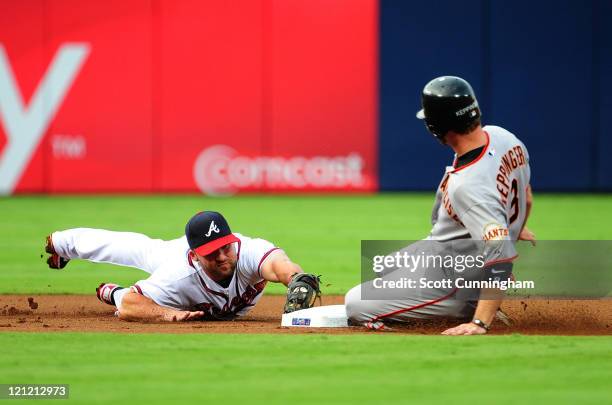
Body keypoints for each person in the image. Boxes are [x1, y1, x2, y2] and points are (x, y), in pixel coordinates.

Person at [345, 76, 534, 335]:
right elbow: (526, 196)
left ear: (437, 125)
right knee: (383, 266)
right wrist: (515, 226)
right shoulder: (503, 137)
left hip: (454, 273)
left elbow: (499, 252)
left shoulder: (467, 185)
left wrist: (479, 323)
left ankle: (468, 306)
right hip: (443, 250)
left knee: (356, 304)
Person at [44, 211, 321, 322]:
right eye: (213, 253)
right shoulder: (177, 274)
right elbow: (130, 306)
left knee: (137, 248)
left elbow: (279, 265)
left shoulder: (248, 251)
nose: (223, 256)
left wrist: (296, 278)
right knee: (133, 248)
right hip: (171, 258)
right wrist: (167, 315)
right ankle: (61, 242)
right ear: (196, 254)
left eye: (226, 247)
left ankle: (110, 291)